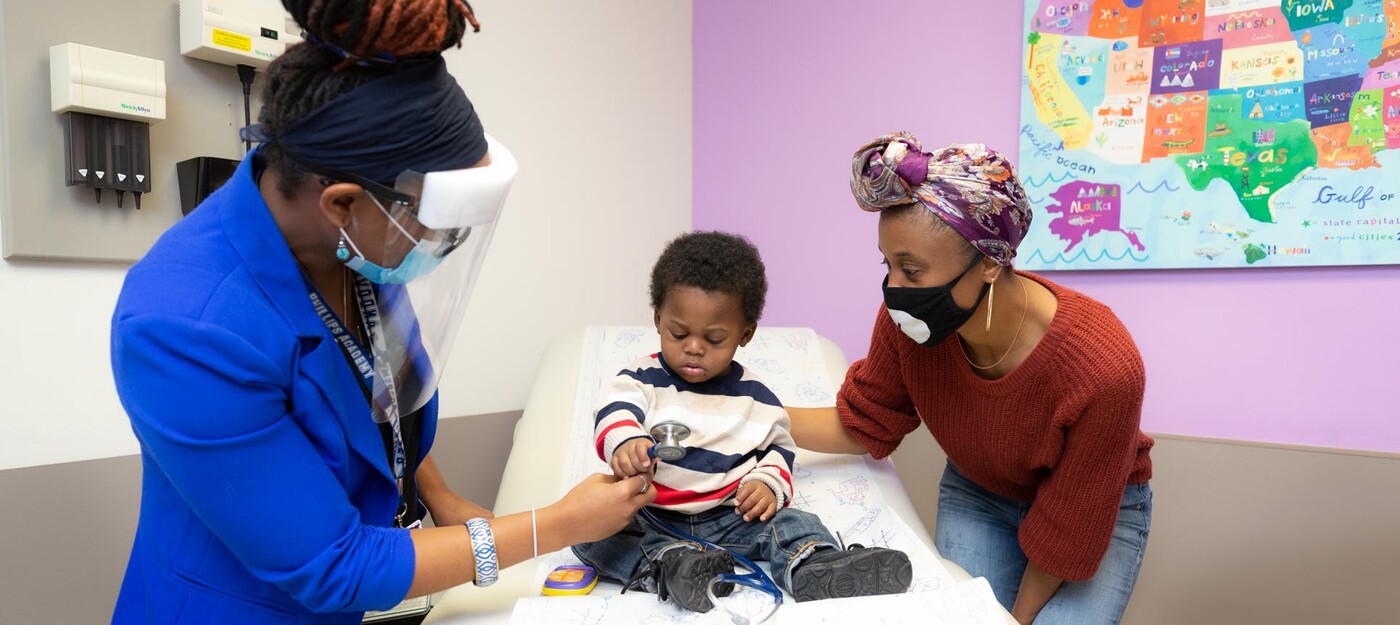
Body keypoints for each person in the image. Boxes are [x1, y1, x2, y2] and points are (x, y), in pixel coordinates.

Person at [109, 2, 652, 623]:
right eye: (433, 222)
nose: (440, 244)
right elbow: (335, 566)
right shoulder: (184, 326)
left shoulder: (360, 248)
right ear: (343, 203)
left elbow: (383, 402)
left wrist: (440, 495)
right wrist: (552, 526)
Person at [789, 133, 1154, 625]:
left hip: (1093, 510)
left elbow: (1068, 534)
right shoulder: (908, 327)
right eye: (888, 264)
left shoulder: (1102, 366)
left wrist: (1013, 620)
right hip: (980, 492)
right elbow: (865, 425)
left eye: (912, 271)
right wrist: (747, 415)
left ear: (988, 262)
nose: (894, 290)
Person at [572, 232, 912, 613]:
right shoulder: (640, 379)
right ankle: (673, 568)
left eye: (714, 339)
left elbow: (779, 448)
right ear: (658, 320)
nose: (694, 347)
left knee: (793, 522)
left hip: (731, 517)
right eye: (678, 333)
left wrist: (766, 484)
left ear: (744, 335)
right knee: (589, 535)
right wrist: (625, 442)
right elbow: (615, 413)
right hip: (653, 515)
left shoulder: (755, 398)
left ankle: (812, 564)